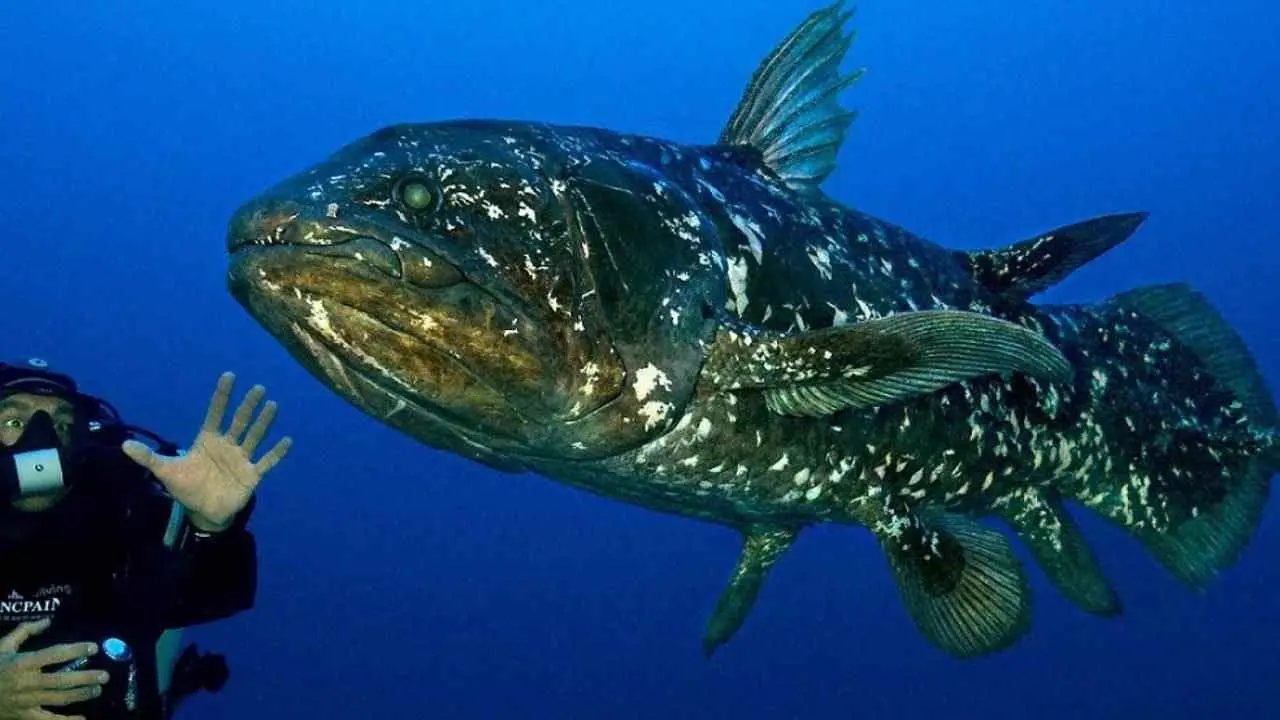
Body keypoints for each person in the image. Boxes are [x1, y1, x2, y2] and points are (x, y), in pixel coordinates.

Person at [0, 359, 292, 719]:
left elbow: (208, 597)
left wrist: (213, 527)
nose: (42, 439)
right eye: (13, 421)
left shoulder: (119, 511)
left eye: (62, 424)